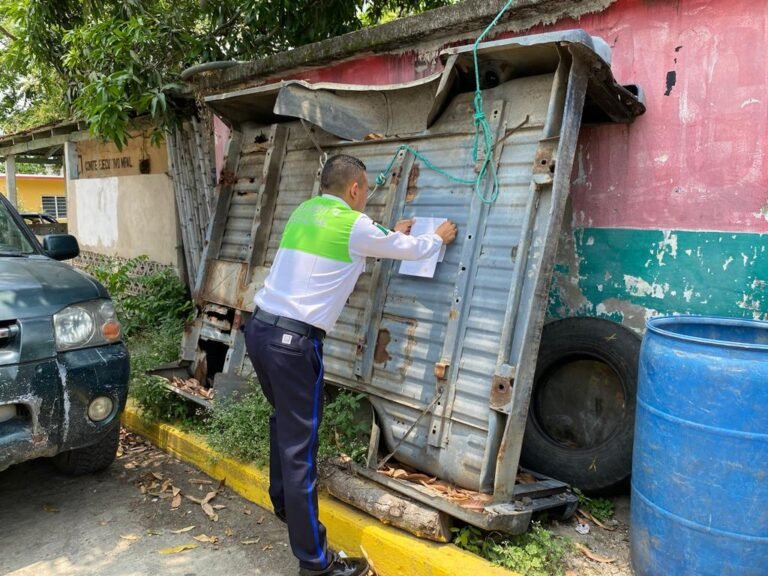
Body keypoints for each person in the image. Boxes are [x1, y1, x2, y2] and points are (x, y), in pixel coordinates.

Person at [244, 154, 458, 576]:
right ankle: (315, 563)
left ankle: (286, 504)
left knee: (285, 423)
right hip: (294, 345)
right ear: (356, 189)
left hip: (260, 330)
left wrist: (387, 233)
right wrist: (438, 238)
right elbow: (409, 249)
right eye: (365, 191)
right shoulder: (356, 225)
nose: (365, 199)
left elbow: (360, 240)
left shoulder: (306, 212)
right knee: (300, 449)